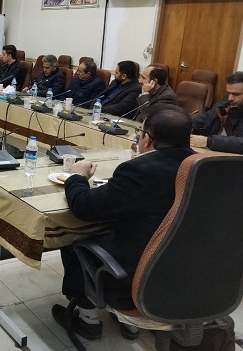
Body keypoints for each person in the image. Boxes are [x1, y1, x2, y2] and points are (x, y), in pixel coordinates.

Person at [52, 106, 195, 341]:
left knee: (74, 239)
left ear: (147, 139)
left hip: (135, 277)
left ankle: (88, 320)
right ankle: (131, 326)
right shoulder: (202, 168)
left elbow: (84, 208)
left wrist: (76, 177)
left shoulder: (141, 170)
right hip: (185, 274)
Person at [190, 71, 243, 154]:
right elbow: (198, 122)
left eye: (236, 94)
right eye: (228, 93)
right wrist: (181, 128)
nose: (230, 98)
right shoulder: (223, 105)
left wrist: (209, 141)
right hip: (209, 152)